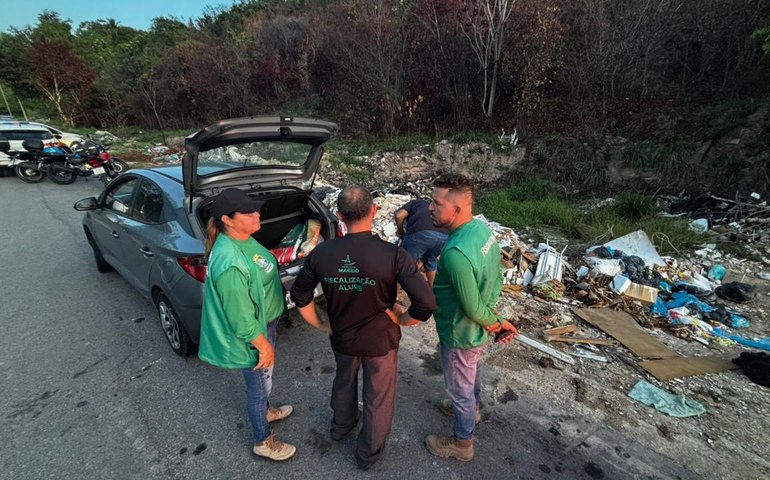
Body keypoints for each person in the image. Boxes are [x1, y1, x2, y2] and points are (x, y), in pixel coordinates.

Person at [290, 186, 435, 471]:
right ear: (374, 211)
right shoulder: (393, 254)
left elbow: (300, 295)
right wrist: (404, 319)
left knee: (344, 381)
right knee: (378, 397)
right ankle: (367, 454)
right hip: (381, 340)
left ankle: (340, 427)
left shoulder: (322, 253)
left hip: (342, 336)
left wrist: (321, 323)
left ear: (339, 215)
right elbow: (426, 302)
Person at [424, 174, 518, 462]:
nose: (429, 207)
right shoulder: (481, 230)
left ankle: (462, 444)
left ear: (456, 209)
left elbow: (473, 309)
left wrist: (499, 324)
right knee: (470, 371)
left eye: (435, 203)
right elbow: (496, 273)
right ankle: (472, 410)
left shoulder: (455, 254)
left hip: (460, 331)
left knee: (459, 387)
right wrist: (496, 318)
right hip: (475, 328)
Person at [198, 188, 296, 462]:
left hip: (267, 321)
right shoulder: (230, 261)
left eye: (256, 209)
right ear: (227, 220)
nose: (257, 214)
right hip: (254, 332)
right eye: (248, 211)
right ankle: (262, 440)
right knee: (257, 388)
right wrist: (262, 344)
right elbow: (240, 318)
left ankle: (266, 410)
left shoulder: (243, 239)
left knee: (263, 383)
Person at [394, 198, 448, 287]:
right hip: (443, 237)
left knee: (404, 264)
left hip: (419, 234)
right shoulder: (433, 208)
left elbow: (399, 216)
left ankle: (394, 294)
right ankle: (431, 290)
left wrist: (400, 232)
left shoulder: (413, 203)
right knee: (431, 262)